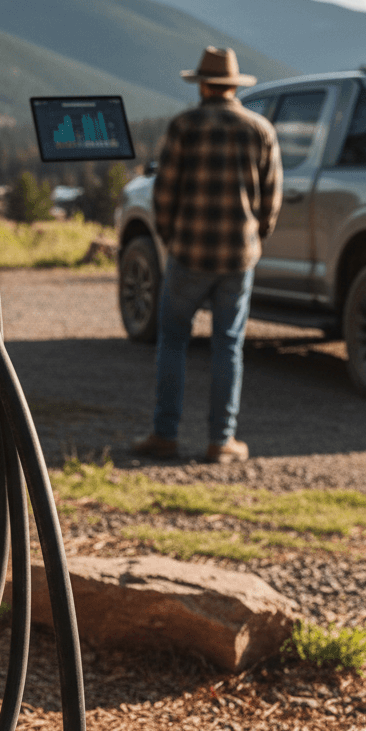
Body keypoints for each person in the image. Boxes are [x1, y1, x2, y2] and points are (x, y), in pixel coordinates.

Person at [133, 46, 283, 464]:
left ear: (202, 85)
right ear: (233, 86)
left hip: (188, 252)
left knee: (173, 342)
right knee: (228, 345)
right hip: (238, 257)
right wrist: (255, 238)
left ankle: (165, 435)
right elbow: (272, 200)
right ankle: (222, 440)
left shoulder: (185, 126)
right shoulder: (260, 129)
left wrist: (170, 237)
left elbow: (163, 193)